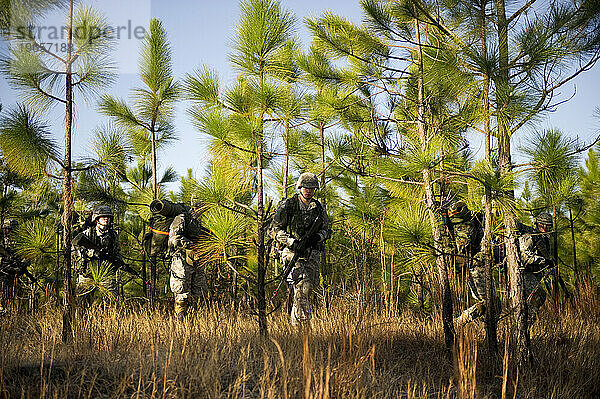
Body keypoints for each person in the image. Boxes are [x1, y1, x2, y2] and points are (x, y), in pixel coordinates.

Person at [270, 172, 331, 326]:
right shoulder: (288, 205)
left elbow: (327, 230)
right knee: (303, 285)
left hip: (312, 254)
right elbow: (273, 230)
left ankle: (298, 324)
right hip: (292, 253)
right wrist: (291, 241)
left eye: (311, 187)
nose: (308, 190)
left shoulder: (318, 208)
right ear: (299, 187)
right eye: (305, 187)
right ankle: (301, 325)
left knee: (307, 289)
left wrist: (317, 238)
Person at [149, 199, 208, 320]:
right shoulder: (183, 217)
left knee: (199, 292)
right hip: (181, 258)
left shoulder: (200, 220)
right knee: (181, 291)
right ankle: (180, 322)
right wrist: (191, 245)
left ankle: (197, 322)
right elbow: (174, 238)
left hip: (197, 258)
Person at [449, 201, 493, 327]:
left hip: (479, 264)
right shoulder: (462, 226)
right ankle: (459, 322)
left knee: (493, 303)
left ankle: (486, 329)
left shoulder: (474, 221)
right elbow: (463, 245)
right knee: (490, 302)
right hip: (474, 266)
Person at [73, 205, 123, 306]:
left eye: (108, 217)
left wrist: (119, 262)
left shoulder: (113, 236)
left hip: (105, 272)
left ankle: (109, 321)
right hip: (87, 273)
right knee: (82, 303)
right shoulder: (86, 233)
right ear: (96, 219)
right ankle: (82, 321)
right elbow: (75, 248)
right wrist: (92, 253)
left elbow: (117, 251)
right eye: (103, 216)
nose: (106, 219)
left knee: (112, 301)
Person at [517, 212, 553, 328]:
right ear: (537, 224)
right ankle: (524, 325)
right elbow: (524, 256)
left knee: (533, 300)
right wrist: (543, 261)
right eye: (542, 224)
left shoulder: (543, 239)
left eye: (548, 225)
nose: (545, 227)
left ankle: (524, 326)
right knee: (539, 295)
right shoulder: (529, 236)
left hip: (533, 273)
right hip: (525, 273)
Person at [0, 219, 30, 315]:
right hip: (3, 272)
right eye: (5, 229)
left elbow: (28, 256)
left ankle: (15, 314)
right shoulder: (2, 241)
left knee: (17, 297)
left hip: (15, 275)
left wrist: (22, 265)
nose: (6, 231)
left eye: (9, 229)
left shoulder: (20, 243)